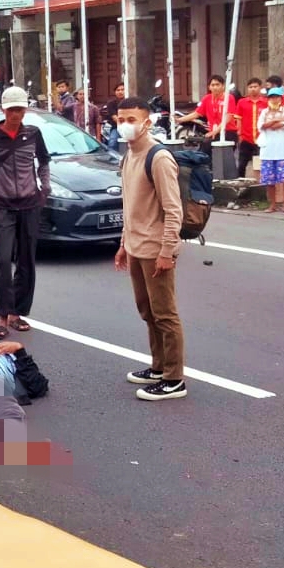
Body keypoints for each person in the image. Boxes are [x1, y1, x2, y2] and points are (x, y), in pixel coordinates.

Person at [112, 97, 187, 401]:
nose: (124, 125)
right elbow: (131, 205)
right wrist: (123, 243)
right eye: (120, 119)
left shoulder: (158, 157)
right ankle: (158, 366)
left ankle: (174, 379)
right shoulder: (129, 155)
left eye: (130, 119)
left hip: (156, 249)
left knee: (165, 314)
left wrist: (167, 251)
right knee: (148, 311)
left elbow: (173, 209)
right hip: (135, 246)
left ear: (147, 122)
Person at [0, 87, 51, 339]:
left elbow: (44, 162)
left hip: (29, 204)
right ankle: (2, 316)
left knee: (27, 260)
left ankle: (18, 313)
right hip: (1, 206)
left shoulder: (33, 134)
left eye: (20, 109)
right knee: (3, 261)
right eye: (12, 109)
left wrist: (45, 187)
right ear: (3, 110)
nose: (16, 114)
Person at [258, 87, 284, 213]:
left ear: (281, 98)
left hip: (283, 149)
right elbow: (261, 126)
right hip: (268, 150)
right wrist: (274, 121)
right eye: (272, 97)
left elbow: (283, 124)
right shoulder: (264, 112)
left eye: (276, 97)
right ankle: (272, 205)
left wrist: (270, 123)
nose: (274, 99)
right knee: (269, 180)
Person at [181, 75, 240, 139]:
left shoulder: (229, 98)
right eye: (213, 85)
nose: (215, 87)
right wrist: (180, 120)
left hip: (228, 132)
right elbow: (196, 114)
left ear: (223, 86)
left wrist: (215, 132)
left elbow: (227, 118)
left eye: (217, 85)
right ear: (209, 87)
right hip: (214, 132)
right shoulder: (207, 98)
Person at [235, 78, 267, 176]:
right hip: (246, 138)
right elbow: (238, 119)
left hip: (260, 139)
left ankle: (258, 185)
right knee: (241, 164)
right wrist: (239, 134)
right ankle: (240, 183)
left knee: (257, 164)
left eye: (255, 86)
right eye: (250, 87)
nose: (253, 89)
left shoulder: (266, 102)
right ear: (247, 89)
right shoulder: (242, 102)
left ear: (260, 88)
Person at [103, 82, 127, 151]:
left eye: (122, 89)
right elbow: (115, 117)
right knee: (112, 143)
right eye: (118, 90)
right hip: (117, 127)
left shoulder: (131, 101)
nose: (120, 92)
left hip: (132, 127)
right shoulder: (111, 103)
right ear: (115, 92)